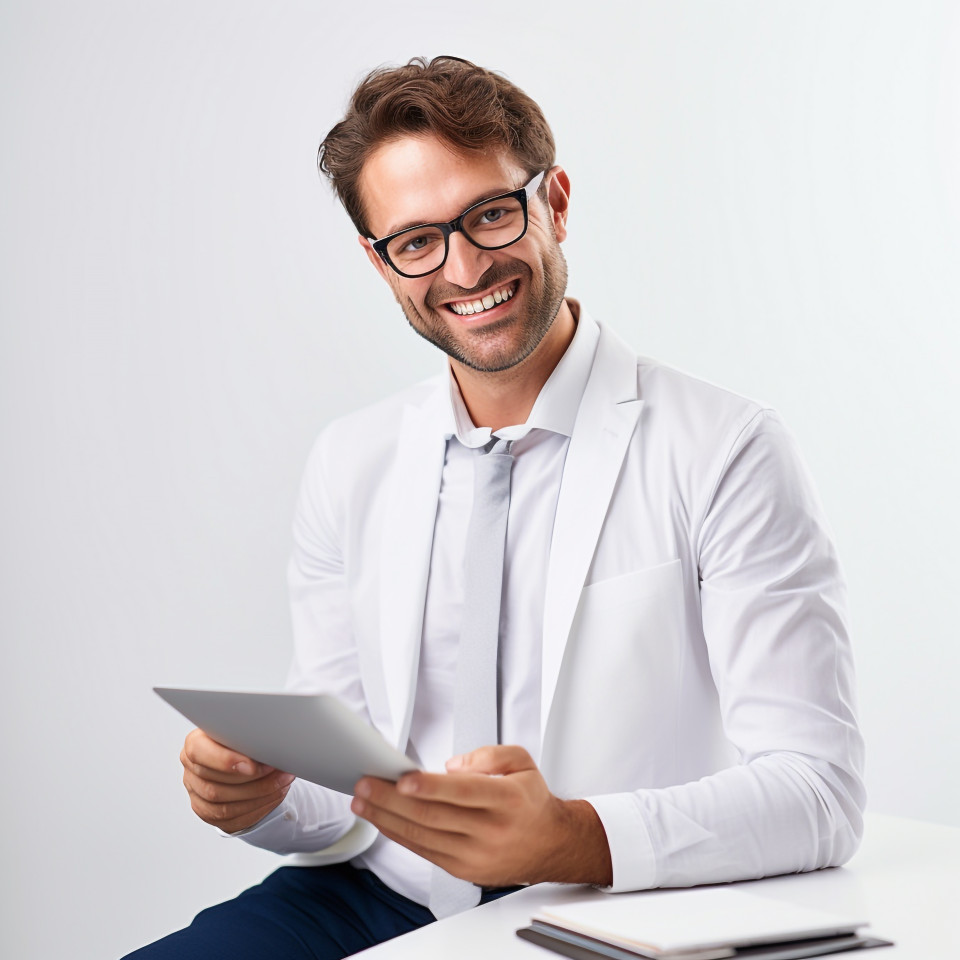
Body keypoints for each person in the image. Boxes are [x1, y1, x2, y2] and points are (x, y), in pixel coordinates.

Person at [124, 55, 865, 960]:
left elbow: (819, 791)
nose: (464, 265)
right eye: (416, 241)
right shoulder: (349, 462)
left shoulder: (725, 448)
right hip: (379, 897)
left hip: (610, 909)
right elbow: (347, 799)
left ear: (553, 201)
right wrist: (265, 795)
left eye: (489, 213)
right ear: (380, 261)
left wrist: (574, 835)